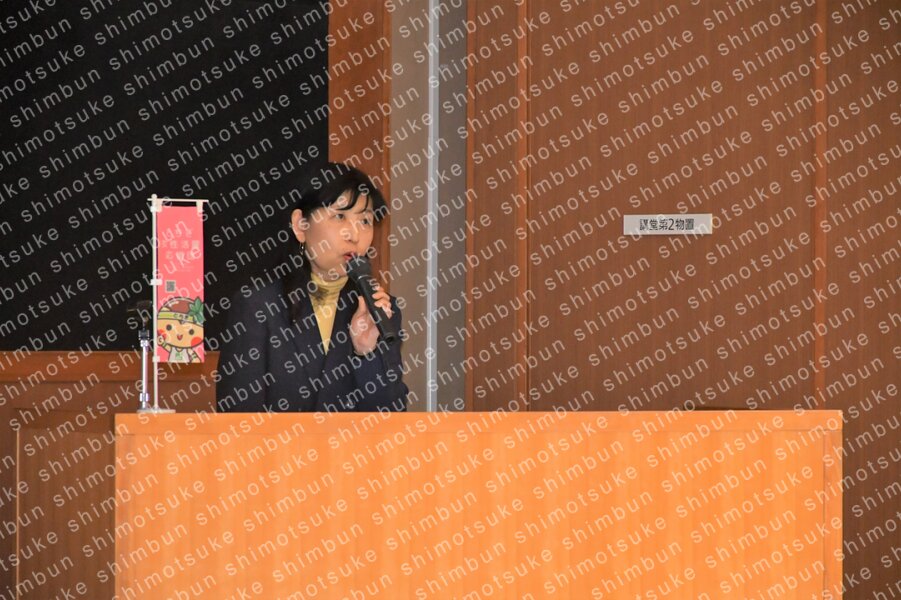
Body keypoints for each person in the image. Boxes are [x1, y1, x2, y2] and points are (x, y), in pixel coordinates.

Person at [216, 163, 408, 412]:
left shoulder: (378, 310)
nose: (354, 235)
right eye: (339, 217)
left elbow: (390, 417)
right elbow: (237, 419)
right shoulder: (257, 306)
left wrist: (365, 353)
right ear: (301, 225)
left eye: (365, 221)